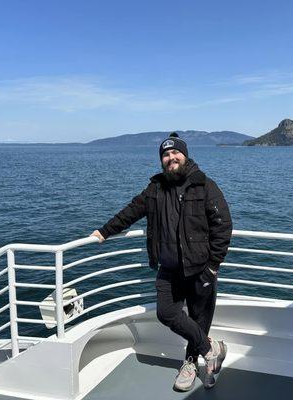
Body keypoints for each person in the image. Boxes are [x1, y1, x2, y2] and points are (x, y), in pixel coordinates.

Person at [90, 132, 233, 391]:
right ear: (162, 160)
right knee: (166, 313)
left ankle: (193, 364)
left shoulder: (205, 185)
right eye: (165, 154)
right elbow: (131, 211)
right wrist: (104, 231)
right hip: (169, 269)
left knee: (199, 320)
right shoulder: (155, 189)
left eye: (175, 152)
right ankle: (213, 349)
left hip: (201, 268)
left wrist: (212, 267)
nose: (171, 158)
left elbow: (223, 227)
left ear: (185, 155)